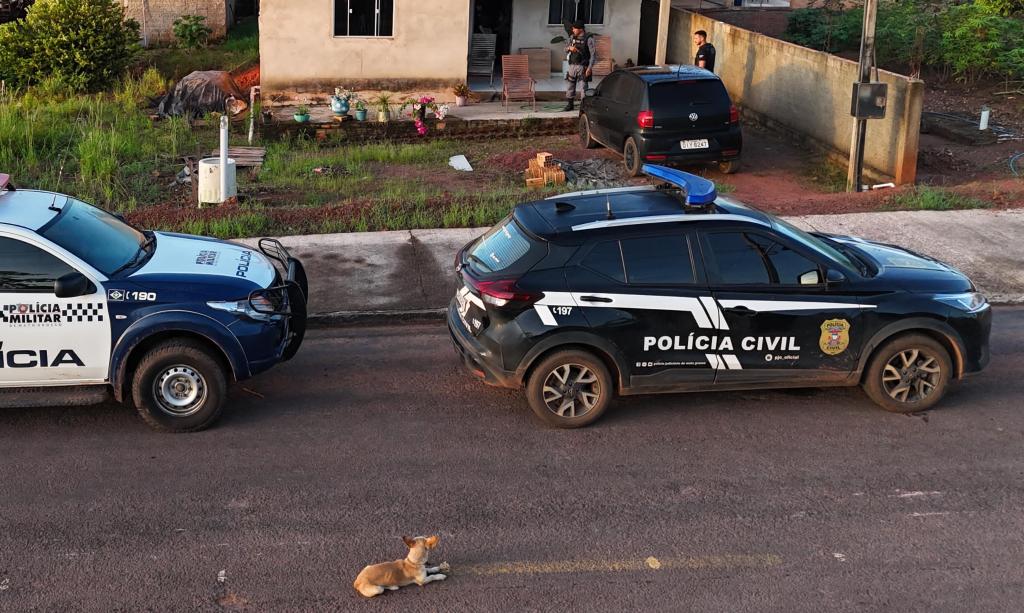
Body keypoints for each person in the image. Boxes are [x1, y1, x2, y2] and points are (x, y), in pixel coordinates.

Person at [563, 19, 596, 112]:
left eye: (574, 29)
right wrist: (569, 48)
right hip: (572, 66)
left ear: (580, 29)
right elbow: (564, 49)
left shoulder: (589, 39)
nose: (573, 30)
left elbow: (593, 55)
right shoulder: (572, 38)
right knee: (570, 85)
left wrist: (589, 68)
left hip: (583, 67)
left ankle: (583, 107)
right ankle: (570, 104)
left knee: (584, 88)